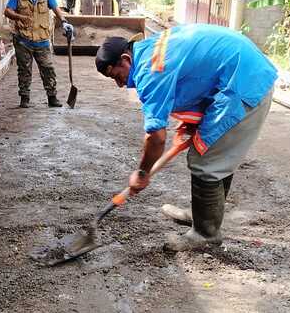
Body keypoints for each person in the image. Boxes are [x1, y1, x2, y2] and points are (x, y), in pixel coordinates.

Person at [95, 24, 278, 252]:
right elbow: (195, 75)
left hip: (245, 84)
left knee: (206, 160)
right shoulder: (152, 48)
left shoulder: (151, 70)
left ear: (125, 59)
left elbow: (156, 137)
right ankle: (203, 216)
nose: (120, 84)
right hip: (240, 73)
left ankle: (205, 234)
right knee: (212, 153)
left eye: (116, 76)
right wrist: (192, 124)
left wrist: (142, 172)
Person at [4, 0, 75, 108]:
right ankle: (24, 98)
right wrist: (19, 17)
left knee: (48, 68)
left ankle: (52, 98)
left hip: (42, 40)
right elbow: (7, 11)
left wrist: (64, 21)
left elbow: (56, 8)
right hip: (23, 40)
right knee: (24, 69)